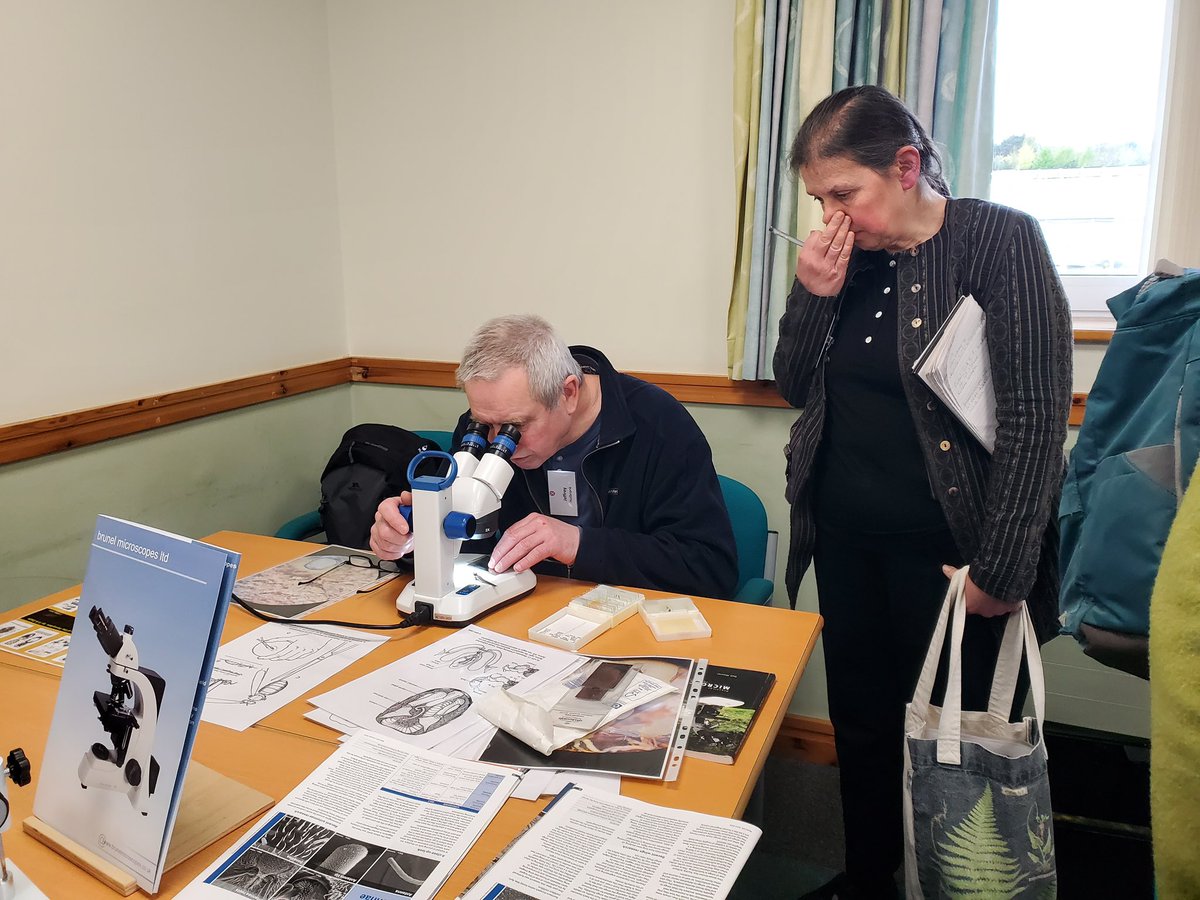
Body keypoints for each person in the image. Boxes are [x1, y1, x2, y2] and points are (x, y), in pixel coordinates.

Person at [773, 86, 1071, 899]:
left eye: (845, 194)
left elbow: (1037, 418)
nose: (831, 217)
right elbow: (795, 386)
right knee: (862, 727)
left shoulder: (997, 240)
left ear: (905, 167)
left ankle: (951, 887)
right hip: (844, 537)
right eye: (817, 200)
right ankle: (869, 877)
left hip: (950, 557)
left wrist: (1004, 569)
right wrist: (810, 293)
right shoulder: (843, 263)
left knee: (955, 737)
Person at [370, 314, 738, 600]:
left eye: (514, 427)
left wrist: (579, 544)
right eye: (485, 424)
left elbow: (708, 568)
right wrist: (413, 536)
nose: (499, 443)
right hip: (524, 618)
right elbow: (469, 544)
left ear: (569, 393)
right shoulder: (482, 427)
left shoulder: (659, 425)